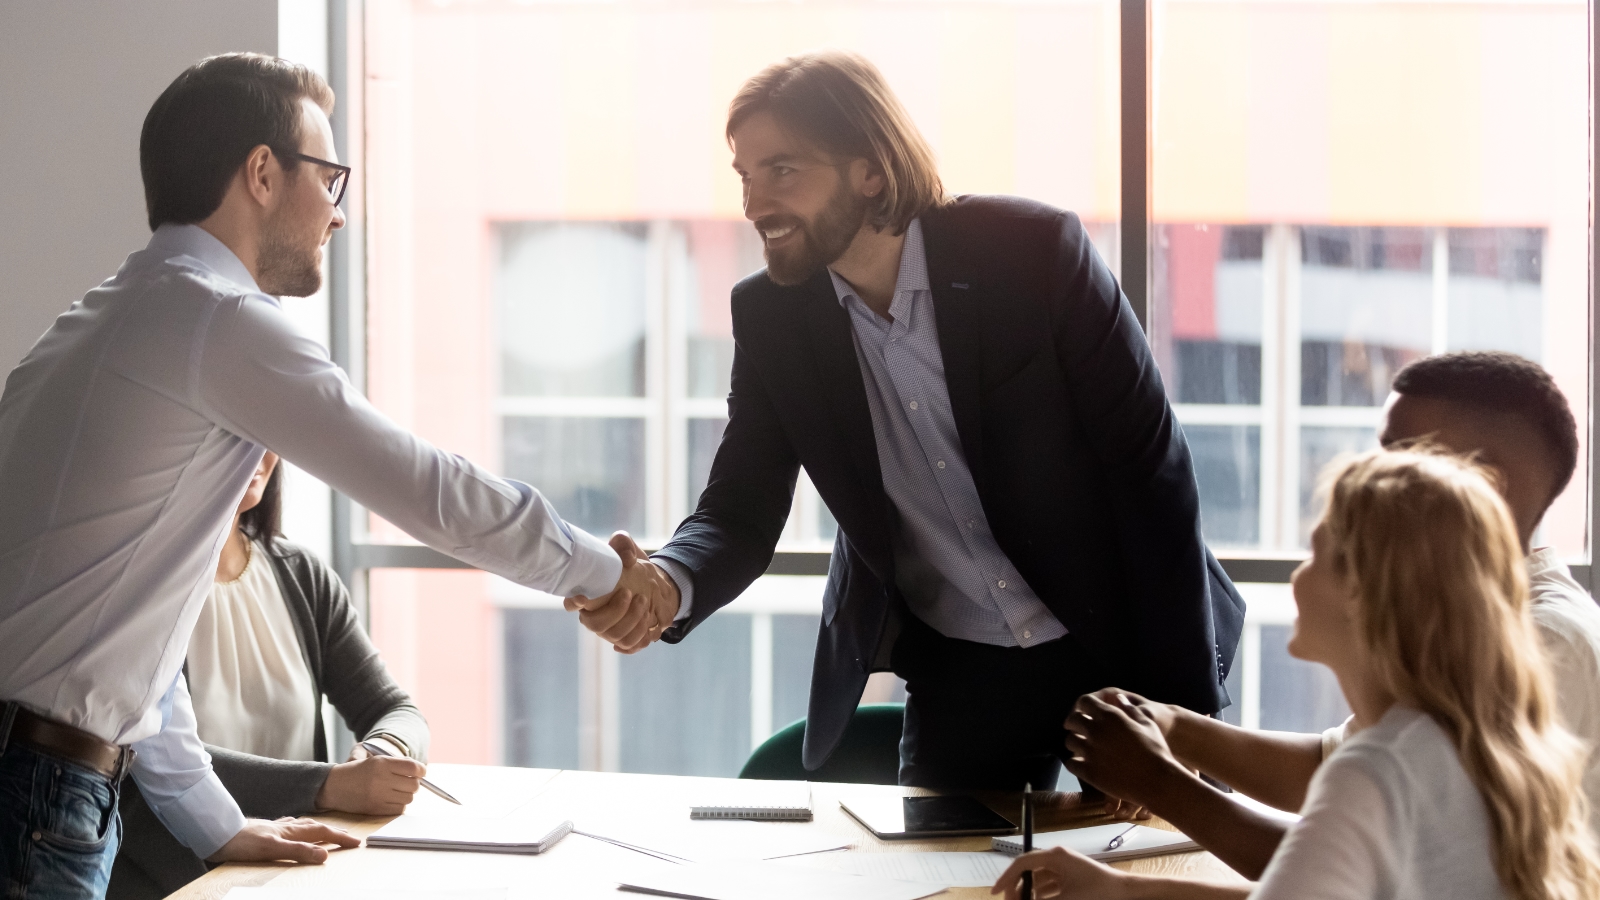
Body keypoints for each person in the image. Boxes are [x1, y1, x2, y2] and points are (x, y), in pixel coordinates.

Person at [0, 52, 669, 899]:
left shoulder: (106, 316)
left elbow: (124, 648)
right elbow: (426, 488)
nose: (339, 212)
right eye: (329, 178)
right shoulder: (219, 321)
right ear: (261, 174)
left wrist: (218, 826)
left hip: (40, 778)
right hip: (38, 792)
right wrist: (608, 573)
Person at [566, 50, 1245, 790]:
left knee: (1145, 856)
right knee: (934, 858)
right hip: (960, 668)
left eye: (782, 171)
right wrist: (667, 581)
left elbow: (1151, 476)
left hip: (1115, 647)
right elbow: (741, 505)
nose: (755, 204)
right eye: (746, 176)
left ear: (871, 170)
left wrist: (1186, 716)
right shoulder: (771, 316)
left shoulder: (1032, 253)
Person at [1040, 351, 1600, 884]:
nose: (1372, 475)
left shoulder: (1544, 643)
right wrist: (1170, 726)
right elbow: (1335, 773)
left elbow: (1363, 868)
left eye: (1399, 456)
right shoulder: (1465, 626)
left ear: (1483, 485)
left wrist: (1160, 782)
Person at [108, 453, 430, 900]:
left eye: (265, 435)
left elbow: (395, 709)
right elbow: (151, 753)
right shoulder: (140, 587)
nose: (257, 454)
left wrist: (381, 751)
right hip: (176, 882)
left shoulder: (301, 575)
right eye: (234, 435)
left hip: (295, 875)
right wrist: (326, 786)